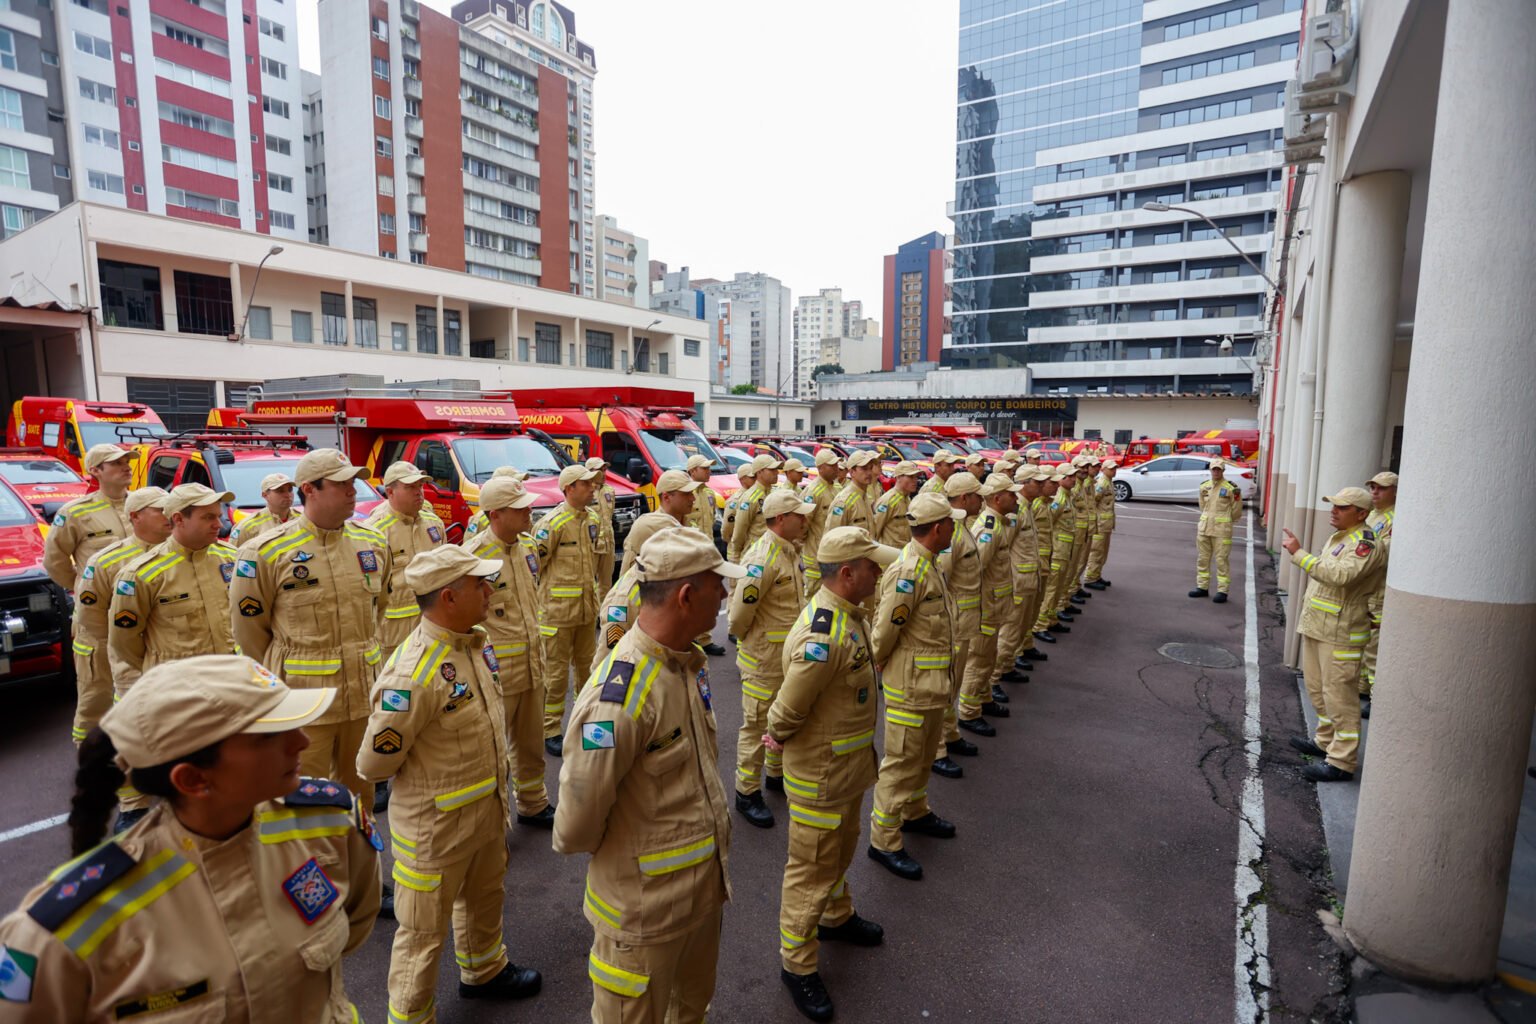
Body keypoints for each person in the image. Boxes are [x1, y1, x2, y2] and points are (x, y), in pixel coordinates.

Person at [0, 654, 380, 1021]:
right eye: (269, 736)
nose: (302, 742)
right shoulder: (61, 934)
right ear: (193, 779)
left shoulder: (330, 825)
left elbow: (355, 923)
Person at [554, 528, 741, 1024]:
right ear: (685, 596)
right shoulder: (620, 697)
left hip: (698, 900)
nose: (724, 595)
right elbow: (576, 824)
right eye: (716, 585)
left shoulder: (684, 664)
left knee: (690, 1011)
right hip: (643, 917)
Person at [357, 545, 542, 1021]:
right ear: (448, 597)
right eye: (478, 584)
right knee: (421, 935)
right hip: (435, 828)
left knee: (485, 899)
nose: (489, 590)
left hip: (482, 811)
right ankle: (411, 1014)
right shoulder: (414, 672)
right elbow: (373, 764)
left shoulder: (473, 644)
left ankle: (484, 971)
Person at [765, 526, 894, 1022]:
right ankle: (797, 965)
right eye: (872, 566)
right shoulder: (824, 632)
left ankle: (837, 917)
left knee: (842, 847)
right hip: (820, 773)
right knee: (811, 868)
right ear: (847, 573)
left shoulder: (848, 614)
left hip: (846, 767)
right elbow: (789, 707)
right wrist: (775, 734)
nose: (879, 573)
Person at [229, 448, 394, 810]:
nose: (353, 490)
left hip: (362, 694)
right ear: (310, 489)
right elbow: (250, 633)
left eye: (353, 482)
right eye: (341, 484)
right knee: (301, 798)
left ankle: (354, 863)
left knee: (360, 797)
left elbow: (379, 608)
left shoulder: (373, 542)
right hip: (304, 701)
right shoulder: (265, 552)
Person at [871, 495, 961, 879]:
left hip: (931, 684)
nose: (956, 528)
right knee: (901, 762)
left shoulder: (929, 564)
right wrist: (882, 665)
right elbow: (884, 632)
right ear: (938, 528)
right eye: (951, 523)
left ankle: (915, 811)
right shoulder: (907, 572)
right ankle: (884, 841)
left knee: (923, 755)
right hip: (910, 686)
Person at [463, 476, 552, 827]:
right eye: (519, 508)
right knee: (494, 751)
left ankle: (533, 803)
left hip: (533, 665)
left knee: (532, 744)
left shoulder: (528, 547)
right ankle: (494, 821)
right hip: (497, 673)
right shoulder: (473, 558)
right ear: (495, 513)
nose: (529, 511)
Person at [1282, 487, 1386, 782]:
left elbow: (1340, 576)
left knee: (1340, 697)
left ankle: (1342, 762)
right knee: (1317, 689)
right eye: (1334, 505)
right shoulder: (1340, 537)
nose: (1334, 510)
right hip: (1321, 626)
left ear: (1362, 514)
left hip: (1342, 632)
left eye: (1343, 507)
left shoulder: (1366, 543)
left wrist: (1299, 554)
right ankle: (1324, 741)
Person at [107, 483, 238, 713]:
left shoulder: (232, 560)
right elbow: (124, 642)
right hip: (177, 695)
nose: (219, 524)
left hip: (231, 686)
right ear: (178, 519)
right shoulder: (141, 575)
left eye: (218, 516)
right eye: (208, 517)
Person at [728, 489, 811, 828]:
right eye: (799, 516)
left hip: (787, 656)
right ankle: (746, 791)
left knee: (782, 718)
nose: (805, 521)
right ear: (780, 520)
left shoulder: (790, 551)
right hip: (764, 657)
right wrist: (753, 643)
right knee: (757, 724)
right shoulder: (762, 558)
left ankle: (775, 774)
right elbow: (738, 617)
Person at [67, 486, 171, 746]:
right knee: (99, 704)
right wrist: (121, 647)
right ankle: (90, 762)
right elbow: (92, 615)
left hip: (167, 653)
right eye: (159, 510)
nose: (168, 515)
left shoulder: (180, 553)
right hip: (118, 650)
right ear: (135, 516)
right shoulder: (108, 561)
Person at [532, 462, 603, 757]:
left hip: (586, 612)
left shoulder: (593, 519)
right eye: (586, 484)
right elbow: (535, 567)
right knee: (556, 676)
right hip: (557, 614)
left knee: (587, 670)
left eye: (593, 484)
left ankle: (582, 719)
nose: (592, 488)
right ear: (568, 489)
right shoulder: (552, 525)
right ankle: (550, 729)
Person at [365, 461, 446, 661]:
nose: (419, 492)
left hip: (433, 627)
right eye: (410, 487)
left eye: (420, 485)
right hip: (393, 635)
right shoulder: (375, 532)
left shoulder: (434, 524)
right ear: (390, 492)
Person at [958, 472, 1021, 726]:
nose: (1015, 497)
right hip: (985, 607)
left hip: (995, 607)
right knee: (980, 660)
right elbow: (975, 571)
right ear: (997, 498)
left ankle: (982, 699)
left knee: (988, 657)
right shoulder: (988, 528)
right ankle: (969, 712)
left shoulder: (998, 523)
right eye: (1011, 494)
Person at [42, 443, 134, 592]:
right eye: (116, 463)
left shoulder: (144, 505)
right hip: (101, 607)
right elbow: (54, 561)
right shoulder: (74, 512)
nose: (127, 468)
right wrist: (84, 587)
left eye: (126, 462)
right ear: (95, 470)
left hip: (145, 604)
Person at [938, 472, 987, 746]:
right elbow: (941, 580)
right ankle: (939, 746)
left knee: (953, 684)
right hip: (955, 621)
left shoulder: (963, 524)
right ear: (965, 498)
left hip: (965, 620)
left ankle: (950, 733)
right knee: (947, 685)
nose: (982, 500)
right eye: (977, 495)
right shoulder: (952, 530)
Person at [993, 464, 1044, 685]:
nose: (1041, 486)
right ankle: (994, 679)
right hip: (1016, 582)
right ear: (1024, 484)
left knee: (1019, 629)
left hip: (1028, 579)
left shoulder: (1028, 507)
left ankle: (1007, 665)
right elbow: (1003, 549)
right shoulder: (1017, 512)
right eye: (1037, 482)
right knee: (1009, 632)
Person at [1360, 470, 1397, 715]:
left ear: (1395, 492)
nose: (1375, 492)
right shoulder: (1373, 514)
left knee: (1374, 646)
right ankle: (1362, 687)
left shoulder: (1396, 519)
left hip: (1379, 591)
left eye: (1381, 488)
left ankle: (1375, 697)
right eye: (1373, 487)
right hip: (1367, 589)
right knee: (1363, 641)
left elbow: (1380, 554)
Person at [621, 469, 704, 578]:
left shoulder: (688, 522)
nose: (693, 498)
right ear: (666, 497)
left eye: (692, 493)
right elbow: (627, 576)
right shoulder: (646, 527)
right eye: (686, 494)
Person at [1033, 464, 1079, 638]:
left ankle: (1050, 619)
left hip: (1060, 550)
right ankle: (1041, 625)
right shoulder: (1056, 500)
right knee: (1051, 590)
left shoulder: (1061, 497)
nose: (1073, 479)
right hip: (1056, 550)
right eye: (1069, 477)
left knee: (1057, 587)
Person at [1190, 460, 1243, 603]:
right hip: (1204, 528)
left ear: (1223, 471)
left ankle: (1222, 590)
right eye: (1214, 470)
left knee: (1221, 560)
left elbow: (1236, 510)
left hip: (1222, 530)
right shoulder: (1204, 487)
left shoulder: (1231, 489)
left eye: (1218, 470)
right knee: (1202, 558)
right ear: (1210, 470)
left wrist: (1225, 520)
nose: (1216, 472)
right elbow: (1202, 506)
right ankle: (1202, 587)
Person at [800, 450, 842, 596]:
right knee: (813, 599)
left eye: (837, 464)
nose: (836, 468)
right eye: (832, 465)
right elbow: (802, 525)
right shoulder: (812, 492)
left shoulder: (837, 488)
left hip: (835, 555)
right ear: (820, 468)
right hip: (815, 558)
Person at [728, 454, 782, 564]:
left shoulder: (774, 493)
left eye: (776, 469)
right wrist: (736, 555)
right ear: (759, 472)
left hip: (773, 554)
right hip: (755, 556)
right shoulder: (750, 498)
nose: (776, 472)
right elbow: (739, 531)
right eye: (772, 470)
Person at [229, 472, 296, 547]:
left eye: (290, 490)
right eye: (280, 491)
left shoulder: (302, 518)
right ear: (265, 495)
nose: (287, 495)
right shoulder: (248, 526)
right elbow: (233, 555)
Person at [464, 467, 529, 540]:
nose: (519, 486)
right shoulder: (479, 520)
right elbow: (469, 543)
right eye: (513, 482)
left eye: (520, 482)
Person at [1084, 460, 1118, 590]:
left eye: (1115, 468)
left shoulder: (1109, 481)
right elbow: (1093, 502)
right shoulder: (1102, 483)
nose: (1114, 471)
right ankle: (1090, 578)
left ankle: (1097, 575)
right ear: (1104, 469)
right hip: (1100, 524)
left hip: (1106, 525)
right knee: (1096, 552)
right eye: (1111, 469)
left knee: (1103, 552)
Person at [827, 450, 879, 535]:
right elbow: (832, 537)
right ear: (852, 472)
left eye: (870, 468)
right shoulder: (843, 501)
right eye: (864, 468)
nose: (869, 472)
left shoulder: (865, 497)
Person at [871, 461, 922, 547]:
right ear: (898, 477)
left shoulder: (907, 498)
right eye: (910, 477)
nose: (915, 480)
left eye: (916, 477)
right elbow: (874, 531)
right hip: (890, 555)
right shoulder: (887, 501)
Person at [587, 456, 618, 582]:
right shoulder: (585, 491)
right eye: (600, 470)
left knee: (606, 582)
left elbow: (609, 517)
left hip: (608, 542)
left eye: (604, 470)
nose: (603, 473)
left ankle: (603, 603)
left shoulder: (609, 491)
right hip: (592, 544)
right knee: (589, 581)